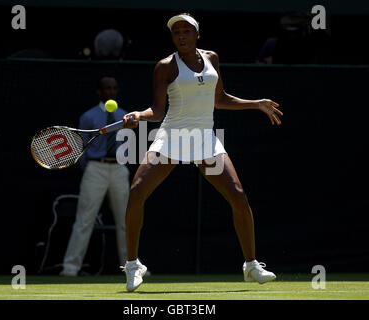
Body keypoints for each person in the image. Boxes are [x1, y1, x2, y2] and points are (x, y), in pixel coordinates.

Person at [121, 13, 283, 292]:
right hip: (171, 138)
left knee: (238, 196)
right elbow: (158, 111)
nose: (181, 36)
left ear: (197, 35)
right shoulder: (165, 67)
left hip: (205, 140)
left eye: (186, 31)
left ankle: (251, 265)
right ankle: (134, 265)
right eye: (176, 33)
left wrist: (255, 104)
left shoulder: (212, 59)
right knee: (137, 191)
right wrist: (139, 114)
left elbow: (220, 99)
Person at [60, 76, 129, 276]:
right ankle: (70, 267)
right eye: (107, 88)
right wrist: (91, 167)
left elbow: (127, 147)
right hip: (95, 169)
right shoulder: (88, 116)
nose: (111, 91)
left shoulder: (125, 116)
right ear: (99, 92)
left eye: (114, 88)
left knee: (126, 220)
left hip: (118, 169)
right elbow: (81, 148)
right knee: (84, 219)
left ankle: (131, 267)